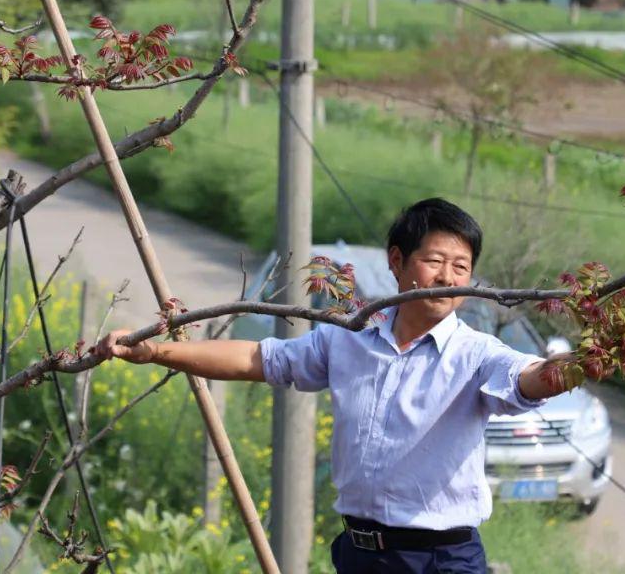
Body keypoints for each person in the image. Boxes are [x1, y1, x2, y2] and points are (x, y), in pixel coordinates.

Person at [97, 198, 574, 573]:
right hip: (359, 554)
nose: (447, 278)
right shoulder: (350, 340)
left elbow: (528, 379)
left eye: (462, 267)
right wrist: (155, 351)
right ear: (398, 262)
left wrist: (579, 366)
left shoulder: (476, 354)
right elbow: (257, 358)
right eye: (434, 261)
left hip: (439, 561)